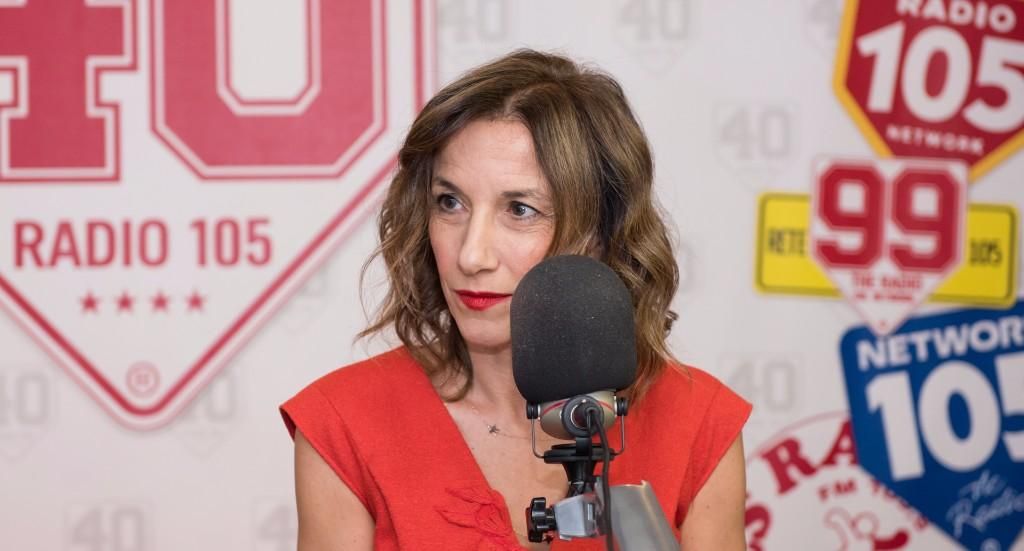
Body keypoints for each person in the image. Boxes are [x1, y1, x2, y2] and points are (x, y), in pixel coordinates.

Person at [280, 49, 751, 551]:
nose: (471, 255)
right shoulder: (344, 421)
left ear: (601, 232)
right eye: (450, 203)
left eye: (520, 209)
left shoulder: (697, 422)